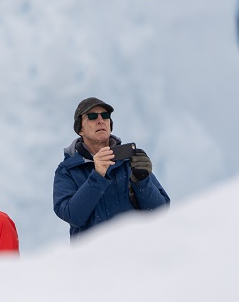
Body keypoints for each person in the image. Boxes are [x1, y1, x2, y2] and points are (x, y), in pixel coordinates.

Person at [53, 97, 170, 239]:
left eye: (105, 115)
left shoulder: (129, 161)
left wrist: (142, 180)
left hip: (136, 249)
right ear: (80, 129)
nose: (100, 120)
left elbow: (160, 213)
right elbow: (73, 216)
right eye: (92, 116)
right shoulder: (67, 170)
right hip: (94, 252)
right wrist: (98, 176)